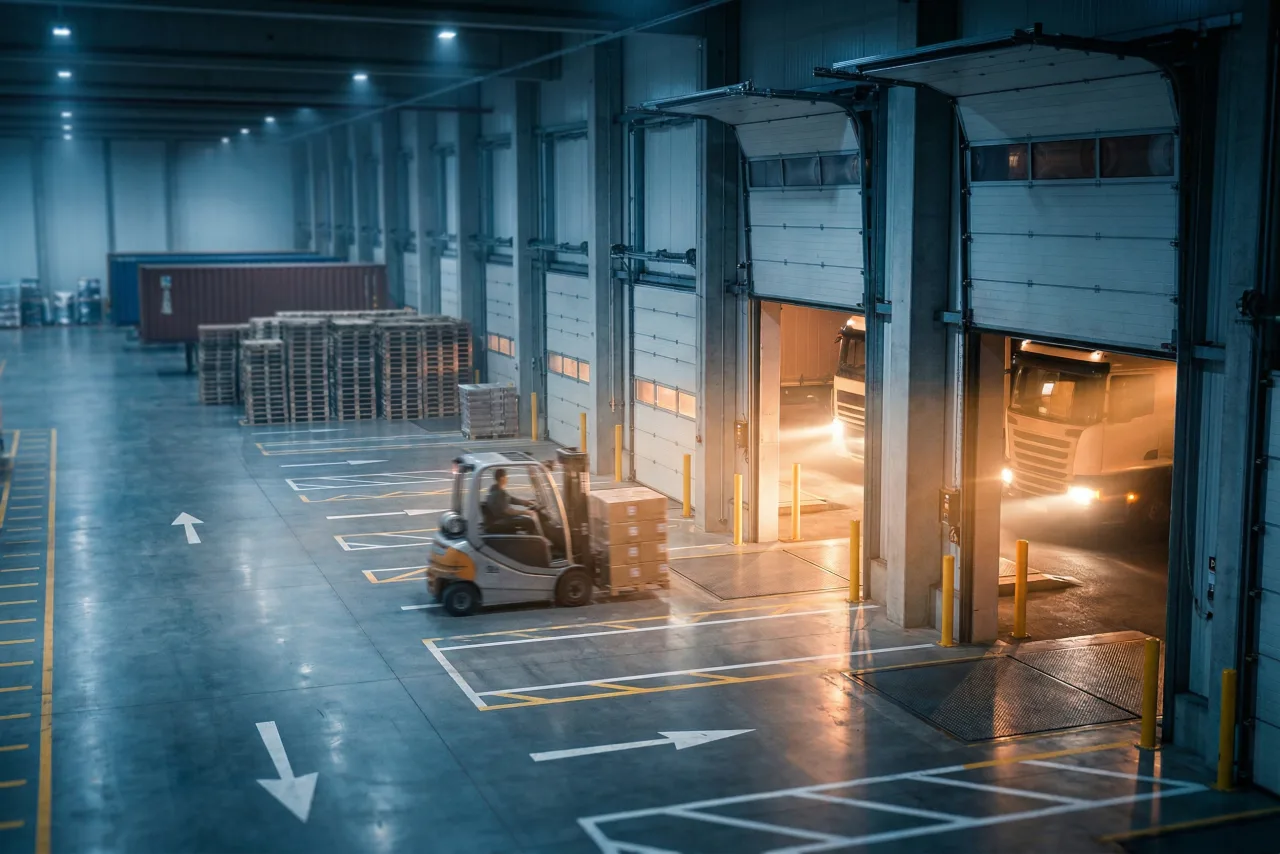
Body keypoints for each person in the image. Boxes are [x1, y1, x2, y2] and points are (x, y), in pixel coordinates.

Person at [484, 468, 539, 535]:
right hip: (501, 520)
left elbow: (510, 499)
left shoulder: (495, 488)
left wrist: (525, 502)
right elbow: (508, 511)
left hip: (498, 518)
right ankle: (533, 541)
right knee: (530, 521)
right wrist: (526, 512)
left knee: (525, 520)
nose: (507, 479)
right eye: (506, 477)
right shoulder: (500, 493)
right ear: (502, 478)